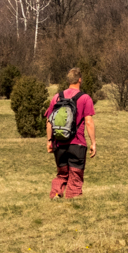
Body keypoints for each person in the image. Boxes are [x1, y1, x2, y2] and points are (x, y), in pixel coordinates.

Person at [45, 67, 96, 200]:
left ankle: (56, 193)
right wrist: (93, 143)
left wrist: (50, 141)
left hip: (59, 142)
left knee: (62, 173)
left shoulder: (57, 97)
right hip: (77, 143)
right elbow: (89, 122)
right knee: (75, 173)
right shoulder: (85, 98)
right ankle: (72, 200)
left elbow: (49, 121)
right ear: (80, 80)